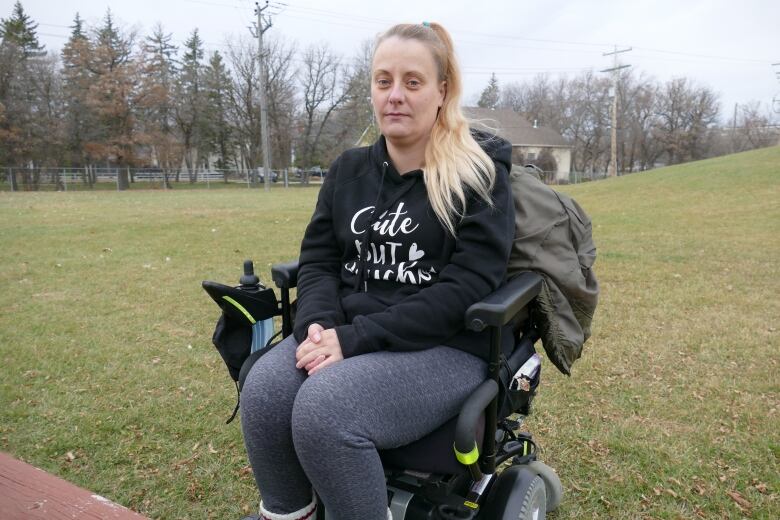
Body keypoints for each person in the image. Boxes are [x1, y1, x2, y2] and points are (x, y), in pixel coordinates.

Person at [240, 22, 515, 520]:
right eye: (383, 80)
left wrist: (355, 339)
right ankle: (290, 513)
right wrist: (317, 327)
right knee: (264, 390)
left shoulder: (477, 175)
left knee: (326, 411)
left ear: (442, 91)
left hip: (444, 345)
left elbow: (467, 288)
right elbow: (319, 260)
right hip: (346, 327)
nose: (395, 96)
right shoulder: (348, 171)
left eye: (412, 82)